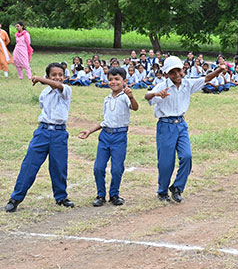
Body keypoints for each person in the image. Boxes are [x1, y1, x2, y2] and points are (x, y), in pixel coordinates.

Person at [145, 55, 227, 203]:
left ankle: (177, 187)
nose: (177, 75)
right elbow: (147, 96)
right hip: (166, 125)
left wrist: (218, 70)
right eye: (172, 72)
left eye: (179, 71)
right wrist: (157, 94)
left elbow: (206, 79)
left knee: (187, 156)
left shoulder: (187, 84)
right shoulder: (162, 86)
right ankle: (162, 190)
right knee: (166, 161)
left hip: (181, 125)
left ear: (183, 70)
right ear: (166, 74)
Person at [6, 63, 75, 212]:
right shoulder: (44, 93)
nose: (57, 77)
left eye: (60, 75)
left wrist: (40, 79)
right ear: (48, 76)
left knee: (59, 166)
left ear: (65, 77)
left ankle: (61, 197)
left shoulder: (66, 90)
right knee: (29, 164)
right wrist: (42, 81)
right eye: (53, 75)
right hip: (42, 132)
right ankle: (16, 198)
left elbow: (58, 86)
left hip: (59, 133)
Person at [78, 67, 139, 207]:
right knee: (98, 167)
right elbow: (105, 121)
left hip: (119, 137)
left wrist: (131, 96)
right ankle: (100, 195)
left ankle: (114, 194)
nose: (113, 82)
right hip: (105, 135)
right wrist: (89, 131)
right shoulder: (106, 99)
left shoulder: (125, 96)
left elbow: (135, 107)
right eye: (110, 79)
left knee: (117, 169)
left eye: (117, 79)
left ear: (124, 81)